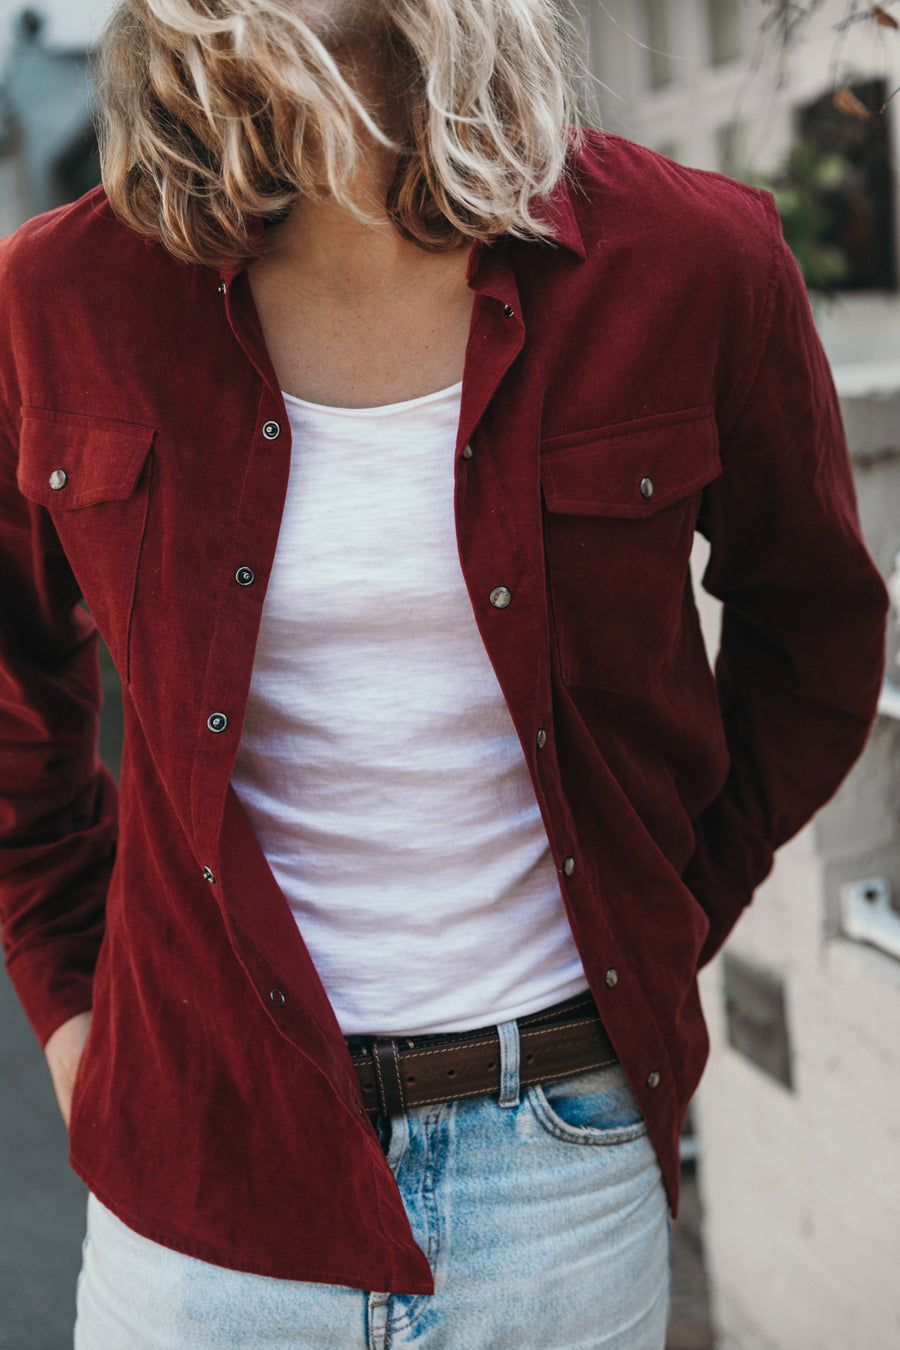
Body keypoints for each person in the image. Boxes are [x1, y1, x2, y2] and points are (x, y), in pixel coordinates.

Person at [0, 1, 888, 1346]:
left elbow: (815, 635)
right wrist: (73, 1008)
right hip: (200, 1187)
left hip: (562, 1173)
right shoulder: (61, 298)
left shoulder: (695, 261)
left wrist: (658, 919)